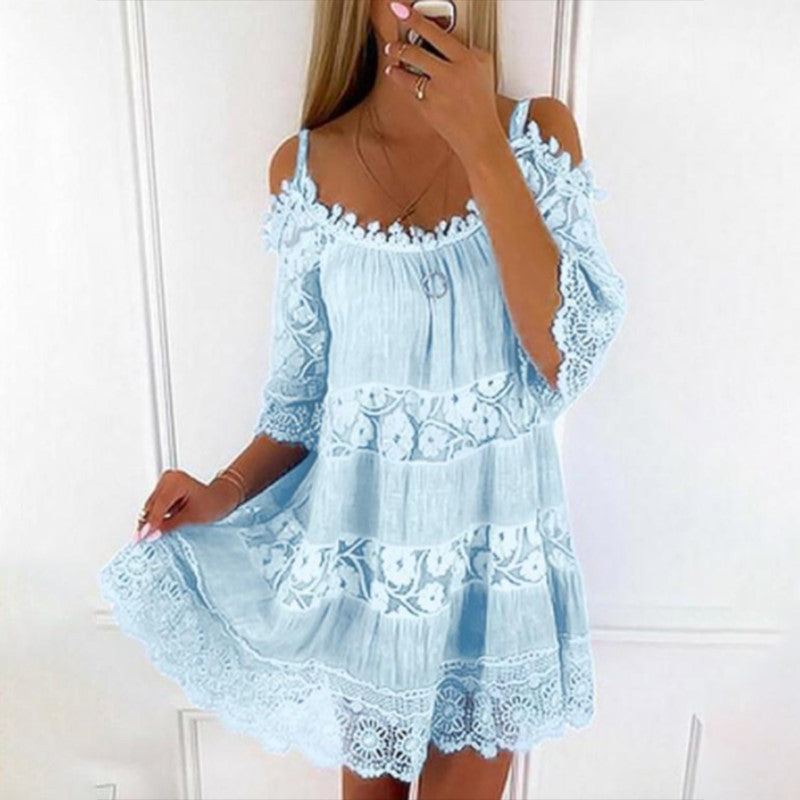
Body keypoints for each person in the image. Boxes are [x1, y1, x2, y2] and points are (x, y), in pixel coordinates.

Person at [97, 1, 628, 797]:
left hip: (497, 583)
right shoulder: (305, 171)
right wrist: (224, 490)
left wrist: (482, 142)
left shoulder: (537, 136)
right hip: (368, 584)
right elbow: (303, 401)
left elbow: (565, 356)